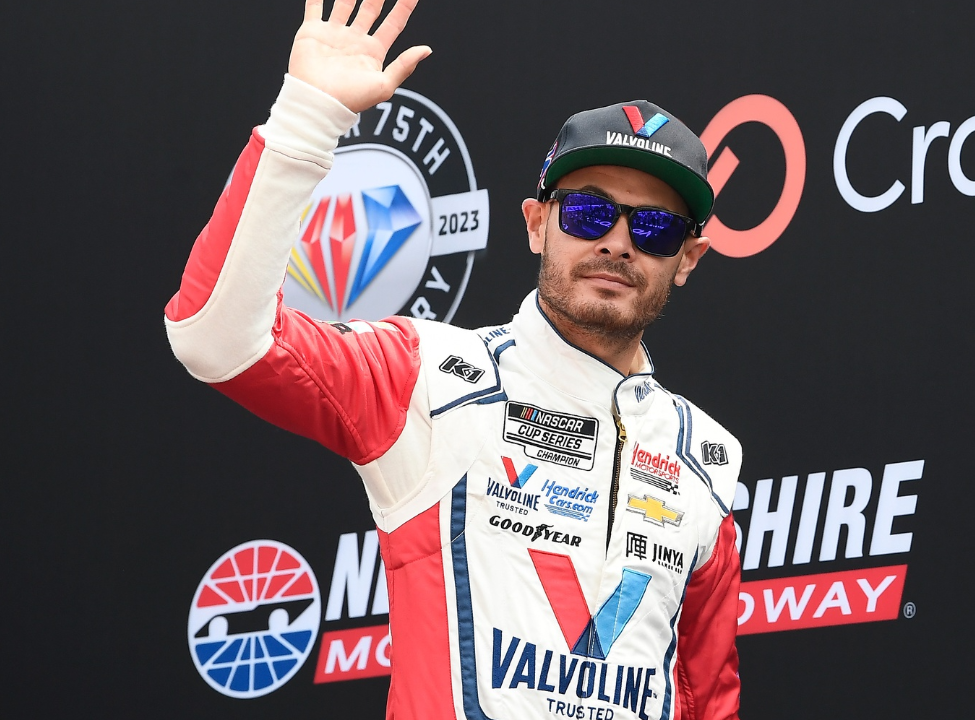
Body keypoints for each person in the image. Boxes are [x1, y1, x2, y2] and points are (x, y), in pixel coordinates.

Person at [164, 1, 743, 717]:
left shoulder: (705, 460)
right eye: (589, 214)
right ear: (537, 225)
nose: (618, 244)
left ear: (688, 259)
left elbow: (705, 700)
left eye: (653, 228)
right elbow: (215, 337)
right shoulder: (428, 377)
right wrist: (305, 120)